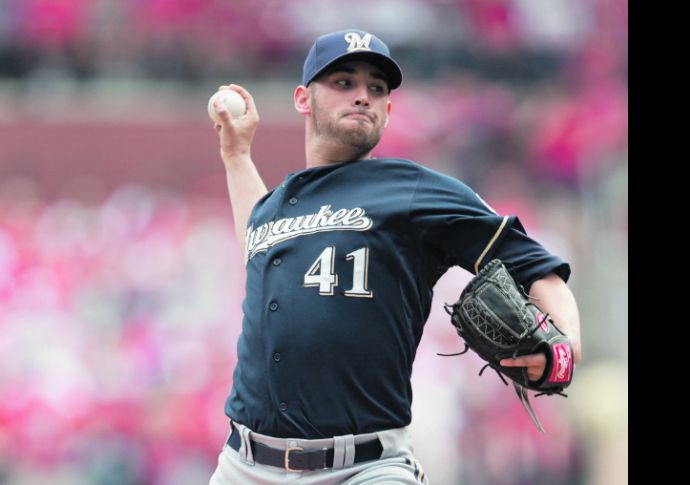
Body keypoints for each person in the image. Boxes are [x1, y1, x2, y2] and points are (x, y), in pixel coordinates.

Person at [208, 29, 582, 485]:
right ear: (304, 100)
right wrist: (236, 153)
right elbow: (256, 243)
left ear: (387, 110)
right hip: (243, 466)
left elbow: (538, 269)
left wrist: (566, 349)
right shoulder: (277, 205)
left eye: (376, 89)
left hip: (365, 468)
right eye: (344, 83)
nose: (362, 96)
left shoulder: (412, 189)